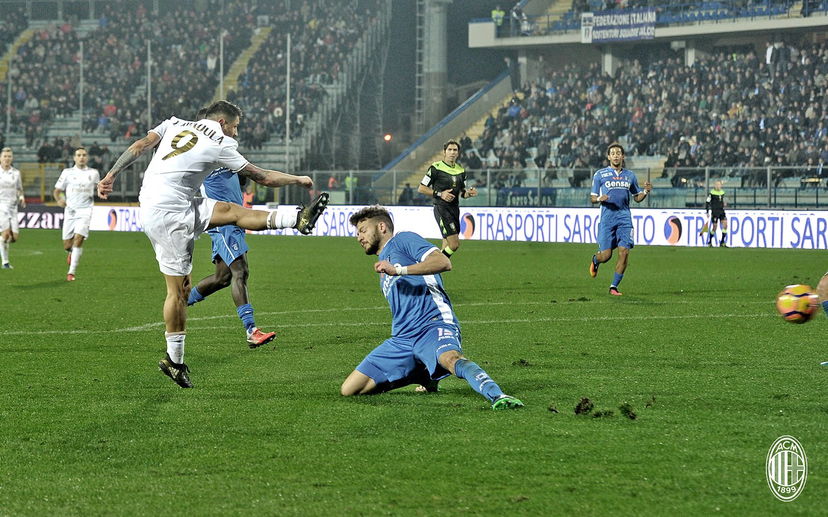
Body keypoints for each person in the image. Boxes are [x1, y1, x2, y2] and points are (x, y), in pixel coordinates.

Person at [97, 100, 329, 388]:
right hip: (169, 215)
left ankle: (298, 219)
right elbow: (263, 177)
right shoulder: (221, 142)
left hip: (172, 201)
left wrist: (110, 175)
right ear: (222, 123)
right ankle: (174, 361)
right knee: (177, 292)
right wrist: (298, 179)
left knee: (233, 212)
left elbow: (138, 147)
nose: (235, 133)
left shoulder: (173, 123)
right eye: (235, 127)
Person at [341, 205, 524, 410]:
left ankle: (497, 395)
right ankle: (421, 374)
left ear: (381, 227)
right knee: (350, 389)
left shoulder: (403, 240)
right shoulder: (384, 264)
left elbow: (443, 262)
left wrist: (399, 270)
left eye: (363, 230)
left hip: (432, 325)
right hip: (402, 338)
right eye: (357, 233)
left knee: (451, 359)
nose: (359, 237)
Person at [187, 106, 277, 349]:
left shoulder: (222, 150)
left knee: (222, 277)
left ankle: (181, 300)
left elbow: (242, 174)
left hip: (232, 218)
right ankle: (251, 330)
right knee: (241, 271)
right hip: (224, 220)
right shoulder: (203, 152)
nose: (235, 132)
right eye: (234, 126)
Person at [588, 143, 652, 296]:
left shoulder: (630, 175)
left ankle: (613, 287)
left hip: (624, 219)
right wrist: (599, 199)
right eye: (613, 153)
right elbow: (592, 198)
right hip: (607, 219)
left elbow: (637, 198)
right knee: (606, 256)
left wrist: (645, 191)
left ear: (623, 156)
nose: (616, 155)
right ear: (608, 157)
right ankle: (596, 260)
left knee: (624, 252)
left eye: (618, 153)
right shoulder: (600, 175)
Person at [417, 140, 477, 258]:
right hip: (441, 208)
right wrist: (440, 194)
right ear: (444, 152)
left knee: (446, 244)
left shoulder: (461, 171)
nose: (452, 152)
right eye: (449, 150)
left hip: (455, 209)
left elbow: (462, 193)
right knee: (454, 244)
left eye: (455, 150)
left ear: (458, 153)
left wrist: (468, 194)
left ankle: (436, 269)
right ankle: (434, 265)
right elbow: (421, 188)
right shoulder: (436, 168)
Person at [53, 147, 100, 281]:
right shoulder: (67, 173)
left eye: (84, 155)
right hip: (70, 211)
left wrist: (102, 191)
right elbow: (57, 191)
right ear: (74, 158)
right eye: (79, 155)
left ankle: (71, 272)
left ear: (87, 157)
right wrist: (59, 199)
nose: (81, 157)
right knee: (67, 245)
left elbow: (99, 187)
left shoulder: (94, 173)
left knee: (78, 239)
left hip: (86, 210)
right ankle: (70, 252)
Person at [0, 147, 25, 269]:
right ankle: (5, 262)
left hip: (13, 207)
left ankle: (1, 242)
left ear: (12, 158)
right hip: (1, 206)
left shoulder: (16, 173)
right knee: (5, 234)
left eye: (9, 156)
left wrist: (22, 198)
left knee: (14, 237)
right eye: (5, 156)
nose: (7, 158)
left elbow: (19, 189)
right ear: (0, 158)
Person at [705, 180, 728, 247]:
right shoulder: (711, 193)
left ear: (721, 185)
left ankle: (722, 242)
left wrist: (724, 204)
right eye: (717, 184)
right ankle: (710, 241)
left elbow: (722, 201)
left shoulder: (722, 192)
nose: (718, 186)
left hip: (721, 211)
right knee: (714, 227)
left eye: (719, 184)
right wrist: (707, 211)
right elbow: (707, 202)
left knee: (725, 225)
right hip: (715, 211)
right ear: (714, 185)